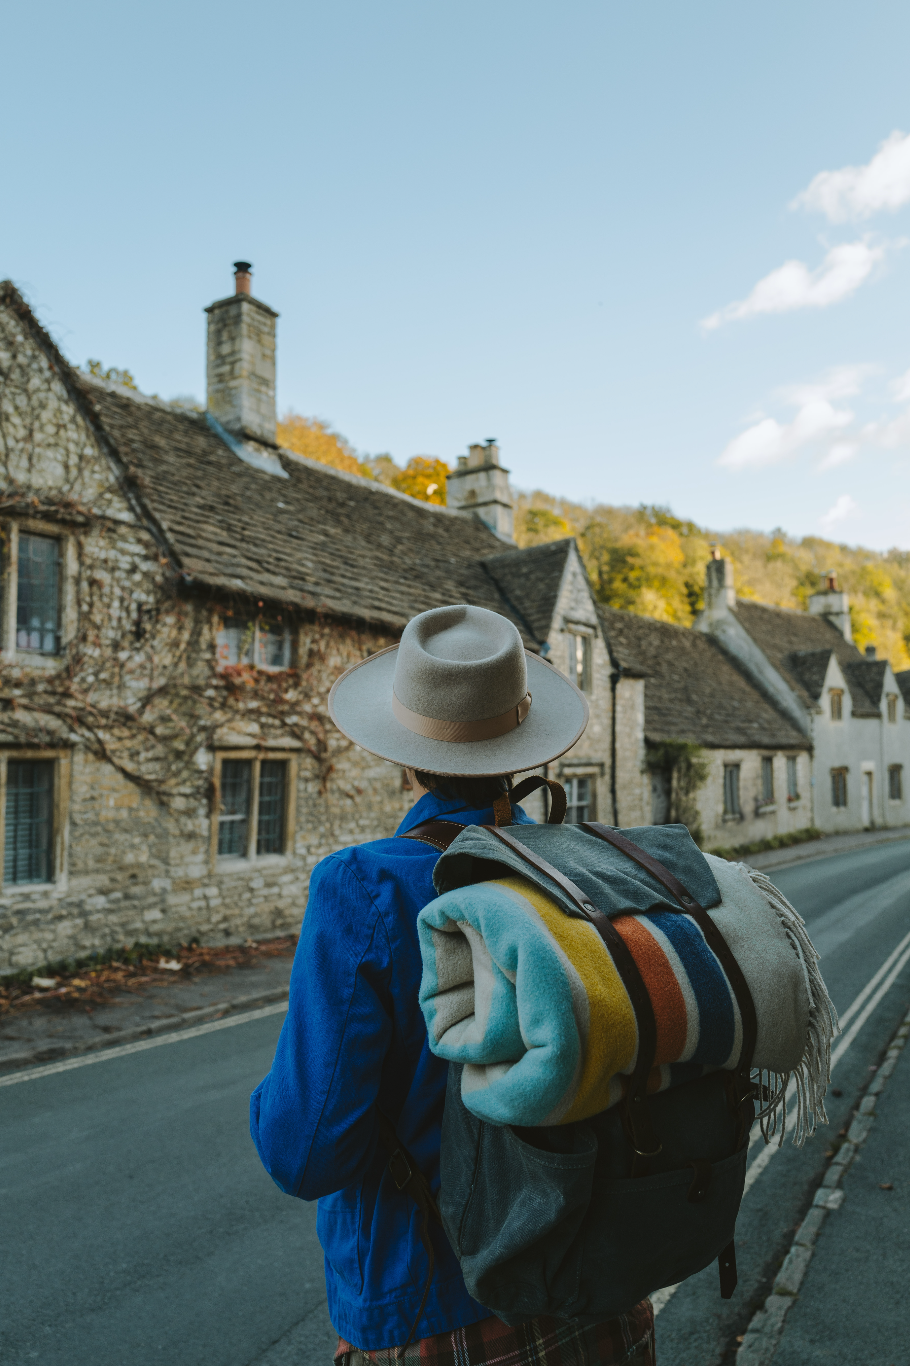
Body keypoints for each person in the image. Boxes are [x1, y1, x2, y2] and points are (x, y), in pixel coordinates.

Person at [250, 603, 655, 1366]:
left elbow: (305, 1154)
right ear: (521, 743)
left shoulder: (364, 886)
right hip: (600, 1294)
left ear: (405, 754)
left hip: (437, 1312)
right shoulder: (583, 868)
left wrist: (268, 1101)